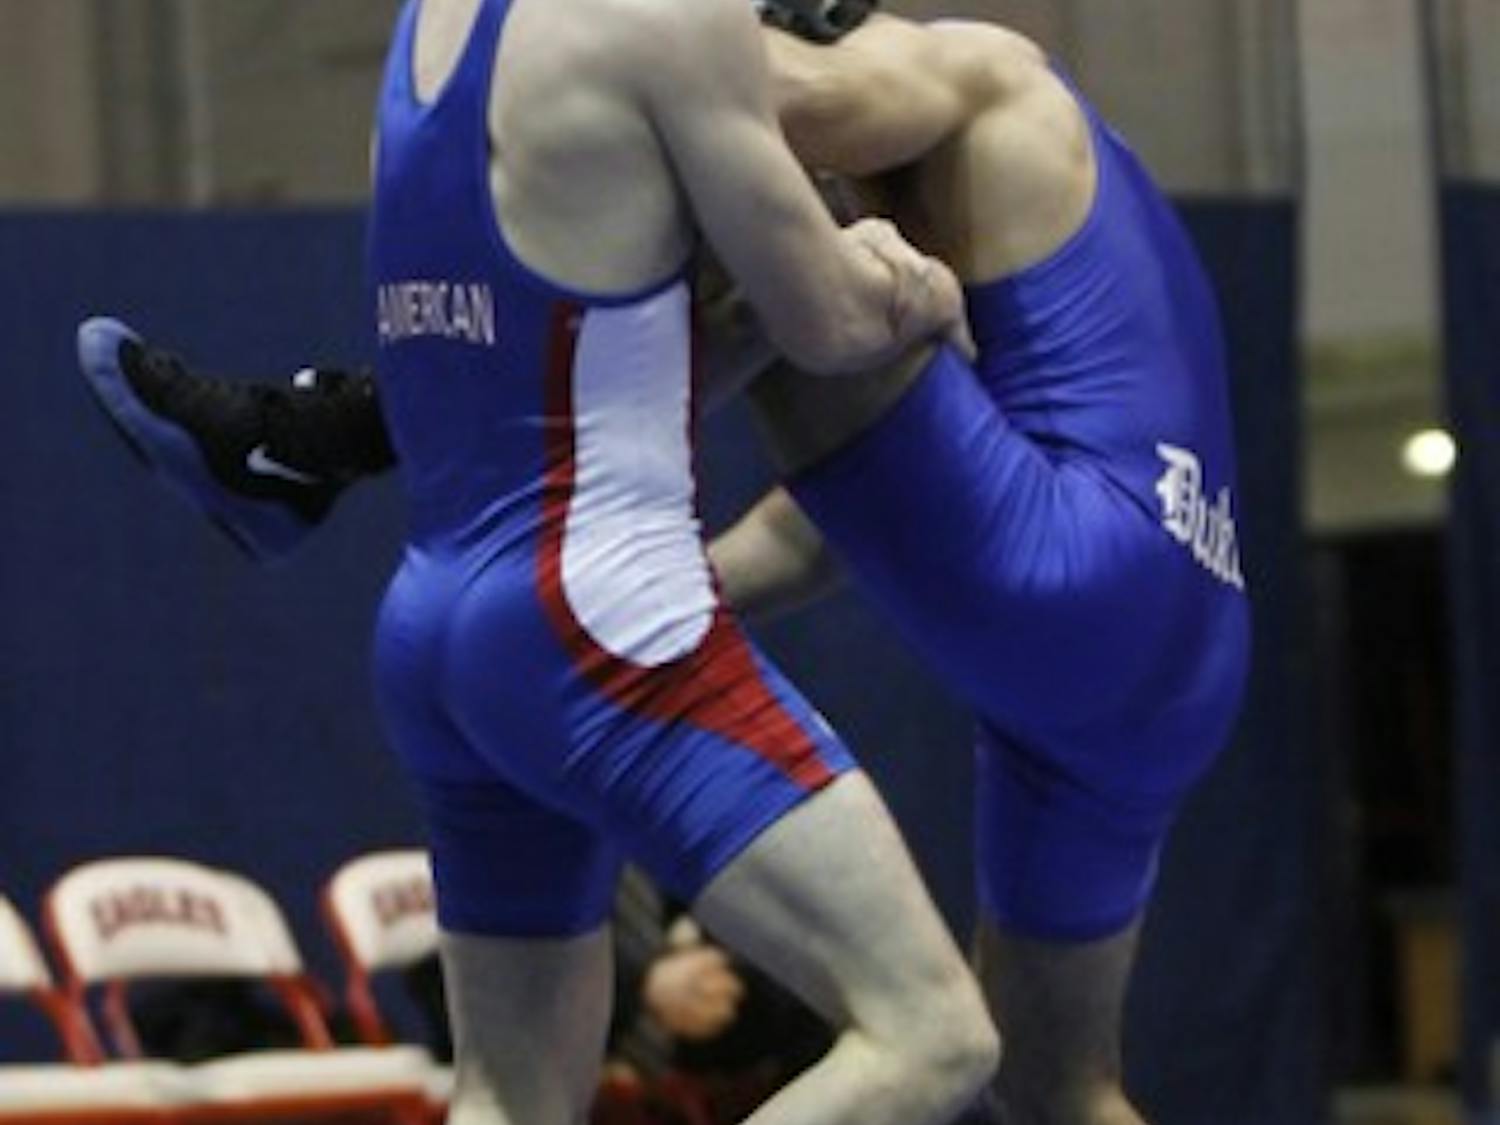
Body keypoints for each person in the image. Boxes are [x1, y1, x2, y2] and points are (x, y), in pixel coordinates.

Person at [78, 4, 1250, 1122]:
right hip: (1162, 638)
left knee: (704, 210)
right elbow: (856, 513)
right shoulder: (1035, 190)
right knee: (1058, 1092)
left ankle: (306, 439)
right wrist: (912, 286)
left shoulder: (957, 66)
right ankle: (304, 442)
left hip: (489, 613)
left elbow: (740, 161)